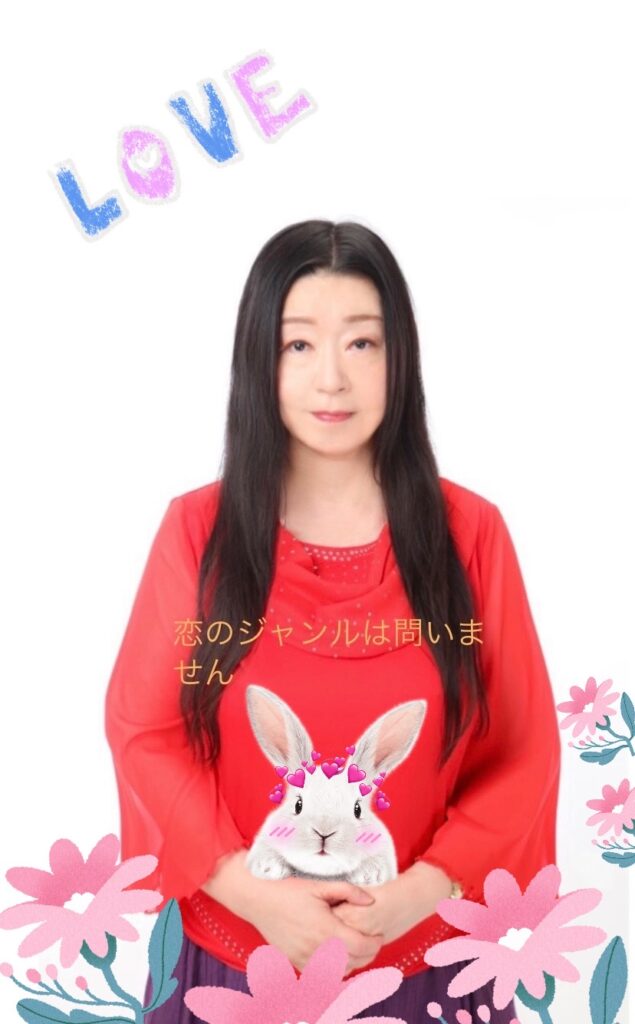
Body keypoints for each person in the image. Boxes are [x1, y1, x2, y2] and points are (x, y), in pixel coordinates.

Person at [104, 220, 560, 1022]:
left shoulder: (469, 535)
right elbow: (147, 732)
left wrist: (416, 894)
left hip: (429, 960)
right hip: (230, 956)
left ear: (399, 358)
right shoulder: (197, 533)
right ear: (259, 360)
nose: (331, 380)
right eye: (298, 345)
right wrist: (257, 895)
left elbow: (520, 752)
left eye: (361, 343)